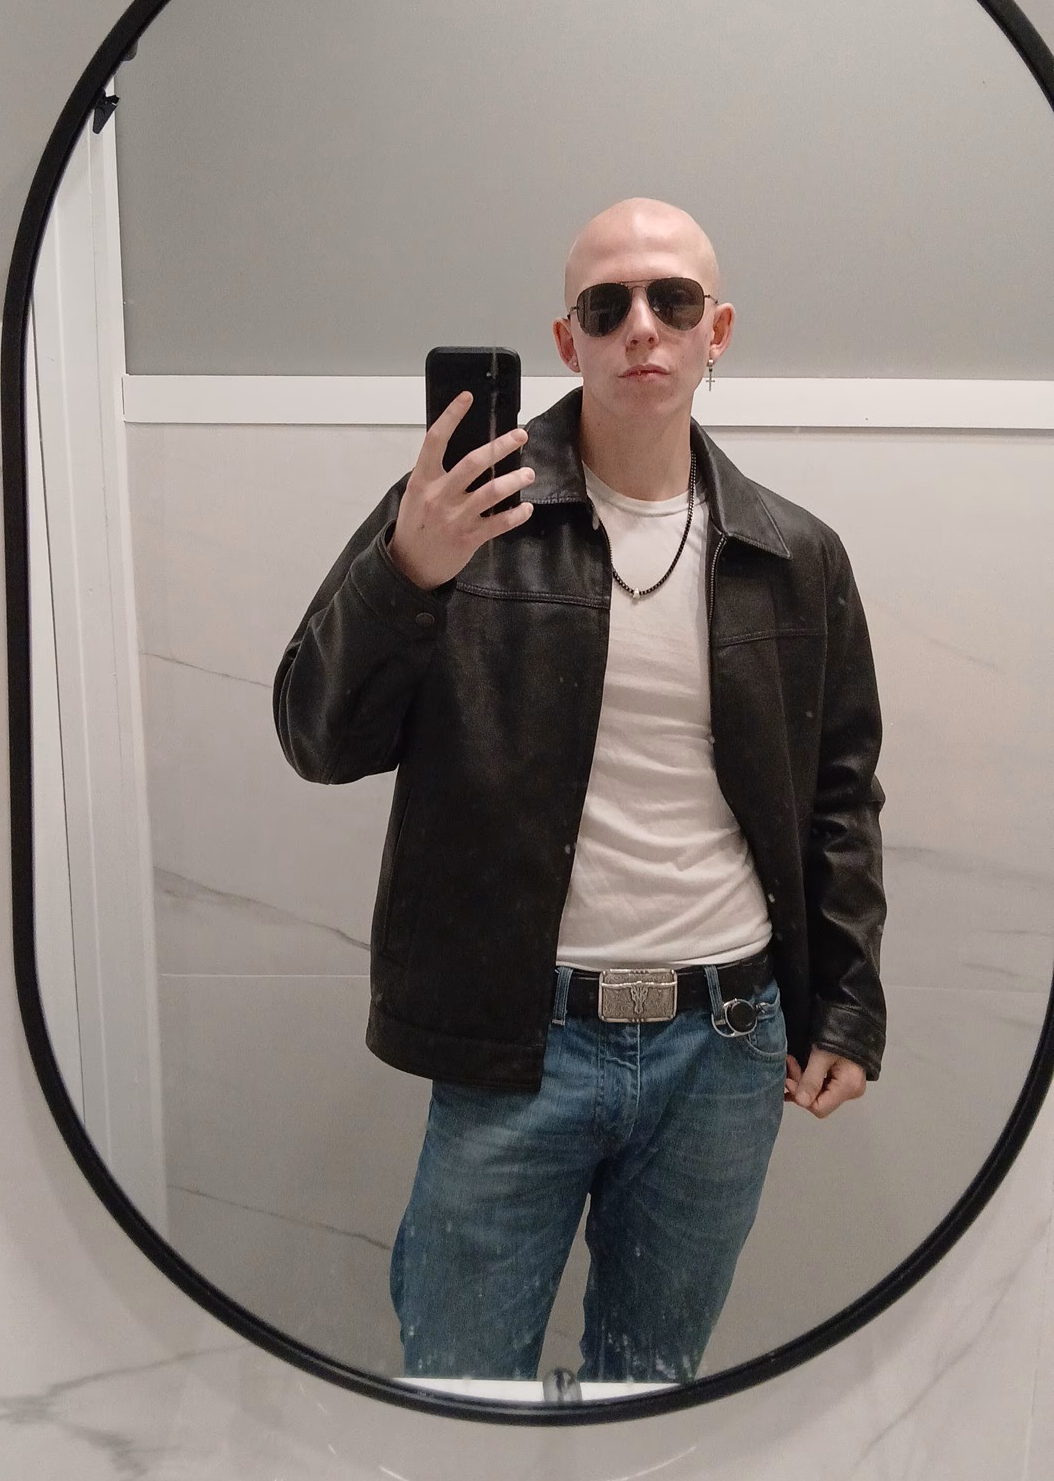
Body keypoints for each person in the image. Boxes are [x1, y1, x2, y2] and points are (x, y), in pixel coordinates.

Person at [273, 197, 887, 1385]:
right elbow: (318, 735)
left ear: (717, 331)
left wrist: (849, 1005)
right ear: (568, 340)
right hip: (520, 1040)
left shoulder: (793, 554)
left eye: (672, 301)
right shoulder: (460, 513)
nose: (641, 328)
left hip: (728, 1045)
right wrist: (408, 573)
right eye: (607, 307)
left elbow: (840, 793)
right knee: (458, 1389)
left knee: (651, 1395)